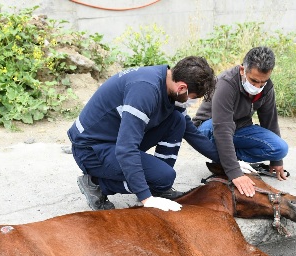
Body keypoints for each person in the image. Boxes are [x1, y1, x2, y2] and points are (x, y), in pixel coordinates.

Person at [68, 56, 249, 211]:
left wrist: (231, 163)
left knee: (177, 121)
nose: (192, 102)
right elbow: (126, 148)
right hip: (91, 149)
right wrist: (146, 198)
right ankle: (97, 184)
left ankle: (159, 186)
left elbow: (193, 134)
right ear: (182, 88)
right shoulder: (145, 92)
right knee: (164, 176)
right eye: (193, 97)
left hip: (114, 139)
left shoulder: (166, 82)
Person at [193, 46, 289, 198]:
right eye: (254, 81)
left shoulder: (267, 88)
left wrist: (276, 161)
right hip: (210, 127)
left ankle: (226, 157)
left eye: (262, 83)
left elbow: (270, 121)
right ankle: (229, 160)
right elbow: (222, 128)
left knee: (280, 148)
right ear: (242, 70)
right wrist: (234, 172)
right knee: (219, 130)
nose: (257, 87)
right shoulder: (226, 83)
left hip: (239, 128)